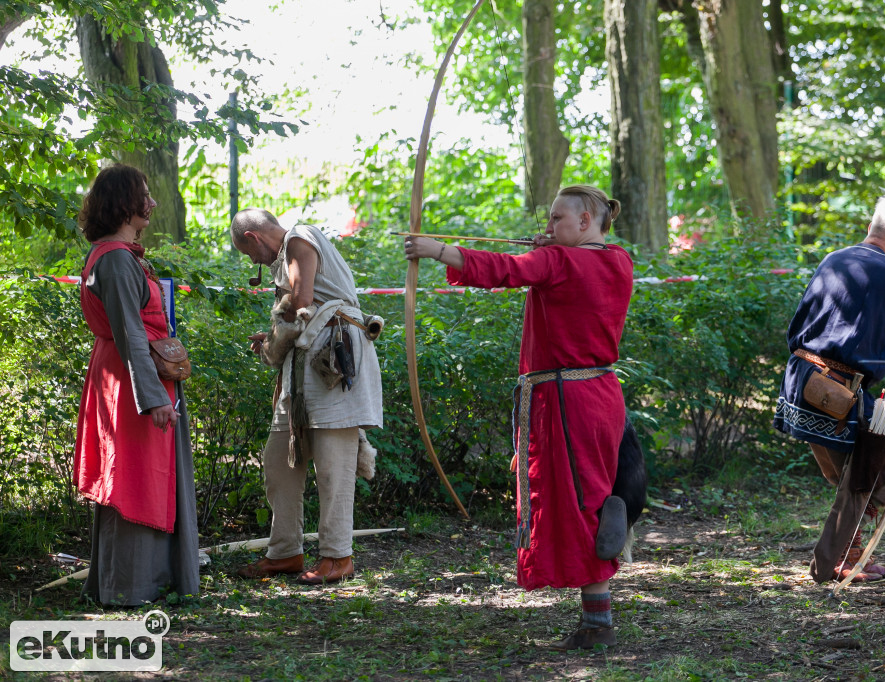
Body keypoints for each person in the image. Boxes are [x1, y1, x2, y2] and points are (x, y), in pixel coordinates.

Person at [403, 185, 633, 650]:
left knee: (580, 504)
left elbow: (506, 269)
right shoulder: (618, 261)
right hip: (601, 394)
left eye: (556, 220)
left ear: (585, 221)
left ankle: (599, 623)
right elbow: (557, 270)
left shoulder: (558, 263)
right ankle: (597, 617)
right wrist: (554, 248)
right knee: (589, 497)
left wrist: (438, 250)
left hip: (566, 400)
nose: (547, 229)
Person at [773, 193, 885, 583]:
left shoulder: (834, 260)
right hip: (836, 394)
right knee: (875, 475)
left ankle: (851, 555)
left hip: (801, 384)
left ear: (871, 228)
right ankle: (835, 563)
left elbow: (835, 330)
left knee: (863, 475)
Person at [231, 208, 383, 584]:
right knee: (278, 461)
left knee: (334, 466)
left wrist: (272, 342)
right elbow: (298, 317)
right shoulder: (287, 251)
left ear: (253, 238)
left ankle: (337, 557)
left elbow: (300, 303)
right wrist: (273, 342)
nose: (253, 262)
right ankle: (285, 553)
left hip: (334, 361)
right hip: (303, 369)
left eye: (249, 254)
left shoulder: (299, 238)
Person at [74, 164, 199, 605]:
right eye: (144, 195)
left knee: (145, 475)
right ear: (124, 203)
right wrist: (152, 400)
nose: (152, 202)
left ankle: (150, 580)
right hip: (131, 385)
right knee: (133, 478)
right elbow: (129, 332)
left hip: (131, 378)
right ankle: (129, 587)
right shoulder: (113, 259)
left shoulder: (118, 256)